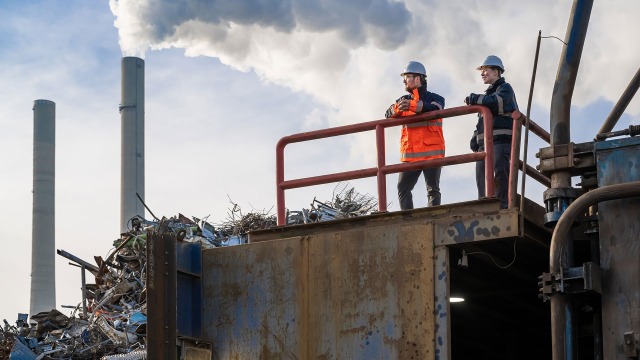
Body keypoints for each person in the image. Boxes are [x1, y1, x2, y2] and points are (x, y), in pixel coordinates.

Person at [385, 61, 445, 210]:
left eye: (408, 77)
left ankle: (434, 216)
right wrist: (398, 108)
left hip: (432, 153)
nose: (404, 80)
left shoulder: (435, 98)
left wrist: (412, 105)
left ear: (418, 79)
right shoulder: (402, 100)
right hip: (411, 155)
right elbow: (388, 114)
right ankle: (408, 219)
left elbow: (435, 108)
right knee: (403, 188)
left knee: (432, 189)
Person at [465, 55, 520, 209]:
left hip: (500, 142)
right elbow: (482, 121)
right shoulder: (488, 95)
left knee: (499, 175)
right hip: (485, 145)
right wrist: (475, 138)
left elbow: (497, 104)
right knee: (481, 176)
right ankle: (485, 206)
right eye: (481, 71)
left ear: (496, 72)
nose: (482, 74)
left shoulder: (505, 89)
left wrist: (476, 98)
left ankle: (502, 206)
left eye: (485, 70)